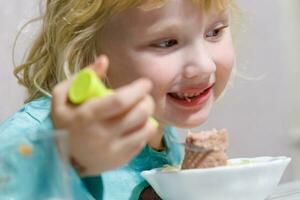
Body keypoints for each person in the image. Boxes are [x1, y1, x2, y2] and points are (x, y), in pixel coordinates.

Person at [0, 0, 237, 199]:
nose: (205, 66)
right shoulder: (30, 139)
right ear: (84, 51)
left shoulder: (161, 135)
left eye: (214, 32)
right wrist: (66, 161)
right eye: (166, 43)